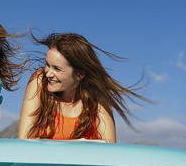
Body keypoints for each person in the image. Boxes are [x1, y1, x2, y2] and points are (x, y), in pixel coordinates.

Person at [18, 32, 148, 143]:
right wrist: (80, 144)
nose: (48, 73)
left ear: (80, 74)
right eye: (47, 64)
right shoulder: (39, 80)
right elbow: (24, 140)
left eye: (57, 69)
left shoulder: (97, 95)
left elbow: (109, 147)